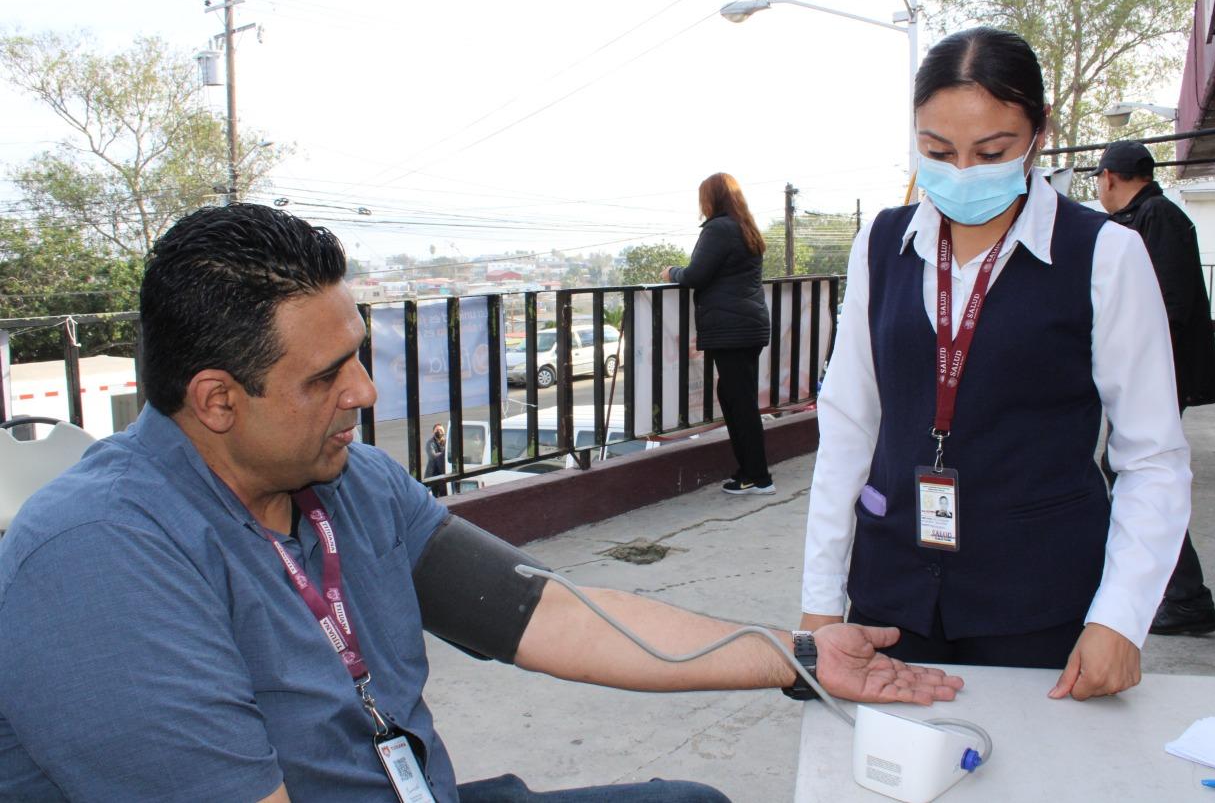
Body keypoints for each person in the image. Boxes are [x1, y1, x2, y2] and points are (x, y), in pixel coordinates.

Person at [0, 203, 963, 803]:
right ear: (216, 399)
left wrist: (789, 657)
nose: (367, 394)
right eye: (327, 375)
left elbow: (540, 609)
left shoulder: (349, 482)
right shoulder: (95, 562)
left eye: (363, 355)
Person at [799, 27, 1192, 702]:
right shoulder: (880, 246)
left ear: (1040, 132)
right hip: (891, 595)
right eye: (937, 151)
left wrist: (1120, 617)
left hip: (1038, 602)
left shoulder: (1104, 255)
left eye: (991, 152)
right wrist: (820, 600)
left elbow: (1153, 455)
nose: (961, 172)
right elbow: (847, 428)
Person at [1092, 139, 1215, 636]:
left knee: (1138, 469)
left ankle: (1187, 597)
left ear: (1110, 177)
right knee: (1122, 467)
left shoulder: (1159, 219)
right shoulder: (1143, 218)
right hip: (1154, 369)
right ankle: (1176, 591)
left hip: (1162, 372)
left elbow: (1164, 304)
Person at [660, 173, 774, 495]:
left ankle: (758, 477)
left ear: (712, 198)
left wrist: (671, 272)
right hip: (749, 325)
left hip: (731, 329)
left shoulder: (718, 229)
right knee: (738, 399)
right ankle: (750, 472)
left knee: (740, 404)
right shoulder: (745, 226)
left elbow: (695, 275)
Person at [427, 422, 447, 497]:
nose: (439, 432)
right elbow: (432, 456)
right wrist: (443, 454)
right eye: (437, 430)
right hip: (433, 474)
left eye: (441, 430)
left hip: (443, 473)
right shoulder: (430, 443)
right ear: (433, 432)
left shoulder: (446, 442)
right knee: (435, 496)